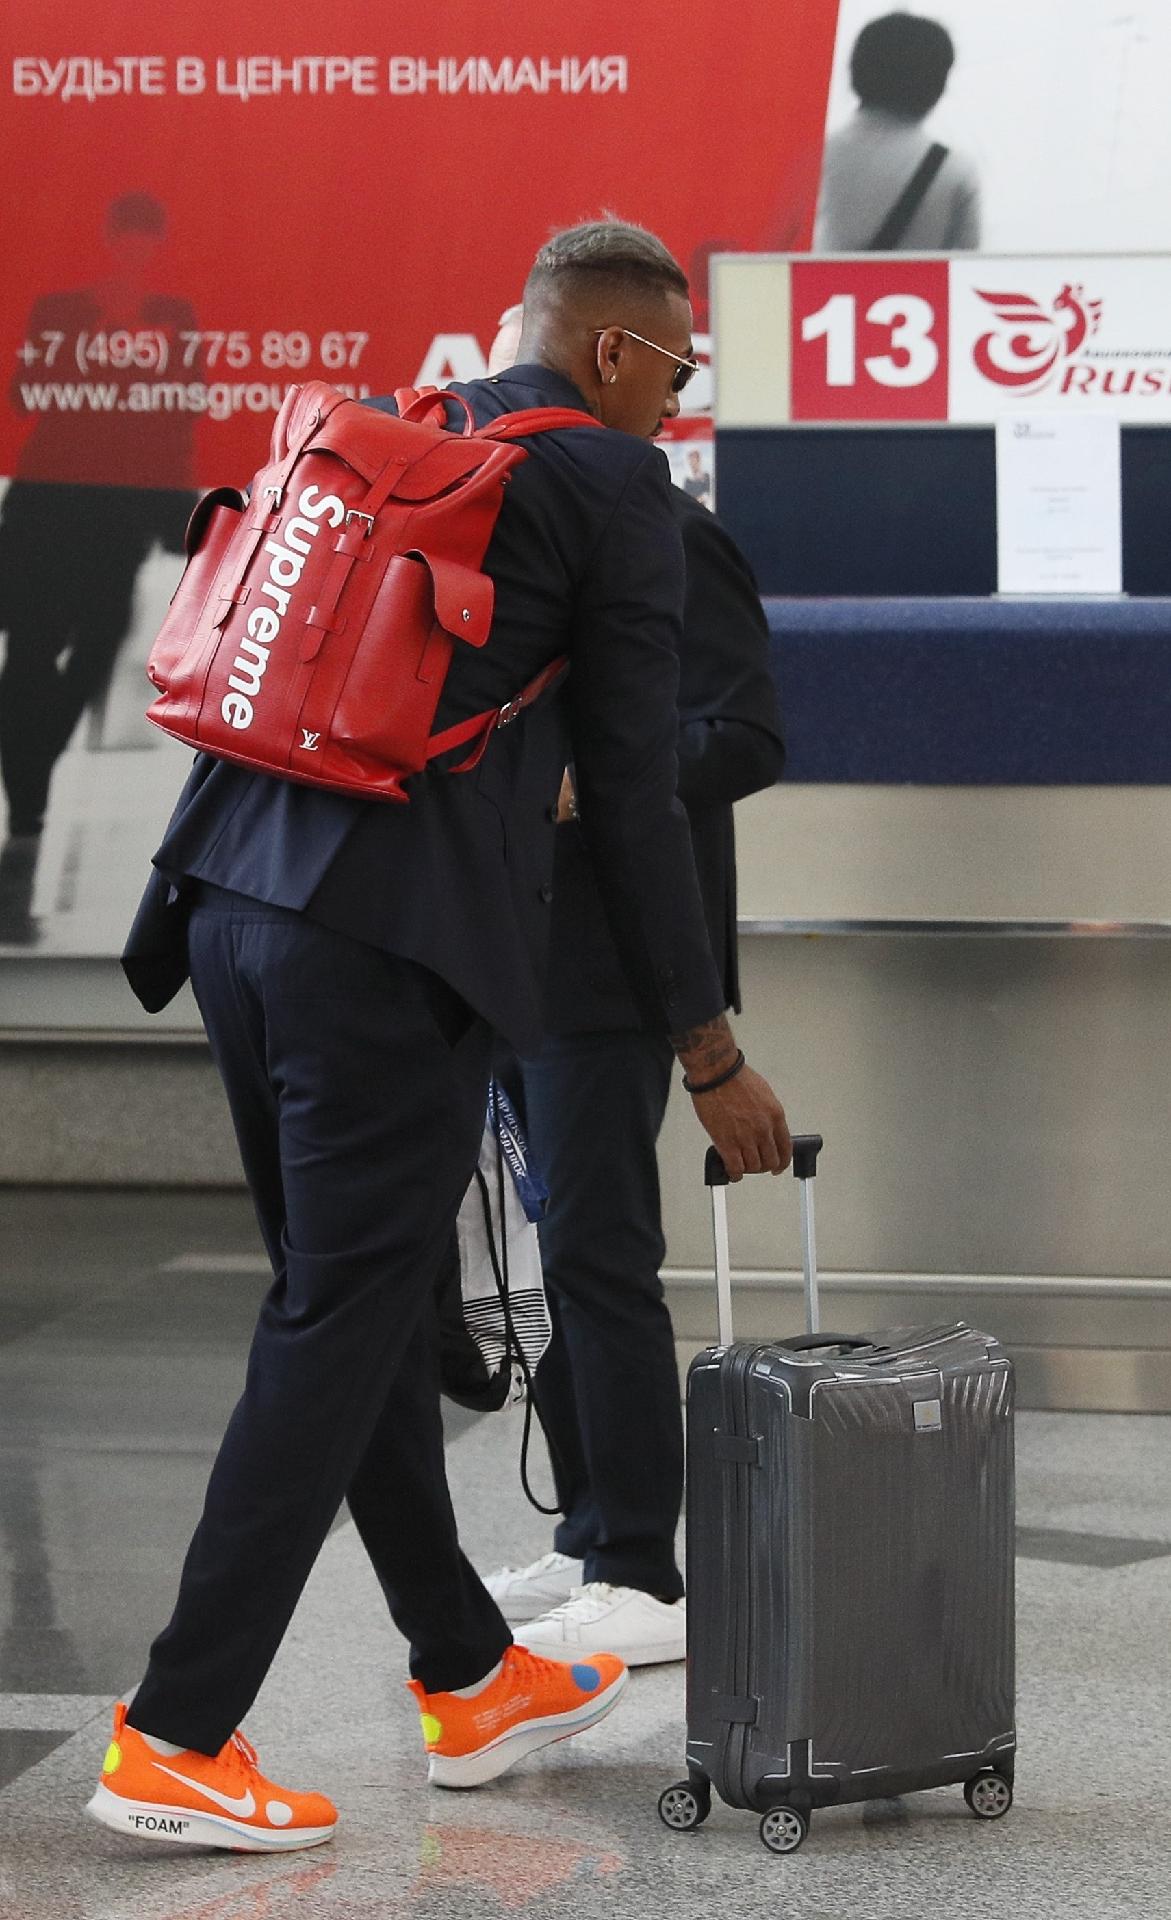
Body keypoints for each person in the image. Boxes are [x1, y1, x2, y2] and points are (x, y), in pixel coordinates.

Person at [91, 218, 793, 1854]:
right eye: (674, 370)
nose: (674, 404)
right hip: (379, 957)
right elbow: (629, 795)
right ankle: (177, 1732)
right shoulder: (618, 493)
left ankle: (467, 1673)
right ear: (615, 349)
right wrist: (705, 1043)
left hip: (226, 905)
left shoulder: (418, 429)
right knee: (341, 1321)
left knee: (365, 1307)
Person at [480, 313, 783, 1666]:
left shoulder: (672, 529)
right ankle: (585, 1522)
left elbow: (744, 734)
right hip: (503, 946)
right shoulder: (519, 523)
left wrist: (600, 770)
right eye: (674, 366)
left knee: (602, 1256)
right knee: (544, 1263)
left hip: (612, 962)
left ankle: (637, 1565)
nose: (680, 395)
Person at [0, 193, 196, 944]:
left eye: (148, 240)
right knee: (27, 654)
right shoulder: (60, 310)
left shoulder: (175, 315)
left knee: (98, 643)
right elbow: (26, 391)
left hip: (121, 513)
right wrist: (96, 348)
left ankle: (35, 748)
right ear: (111, 240)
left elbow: (188, 407)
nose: (135, 252)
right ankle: (27, 818)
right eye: (127, 238)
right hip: (48, 506)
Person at [814, 11, 980, 252]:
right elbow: (970, 267)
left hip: (823, 289)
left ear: (855, 72)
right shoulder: (955, 170)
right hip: (918, 290)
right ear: (937, 86)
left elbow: (770, 256)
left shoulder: (812, 159)